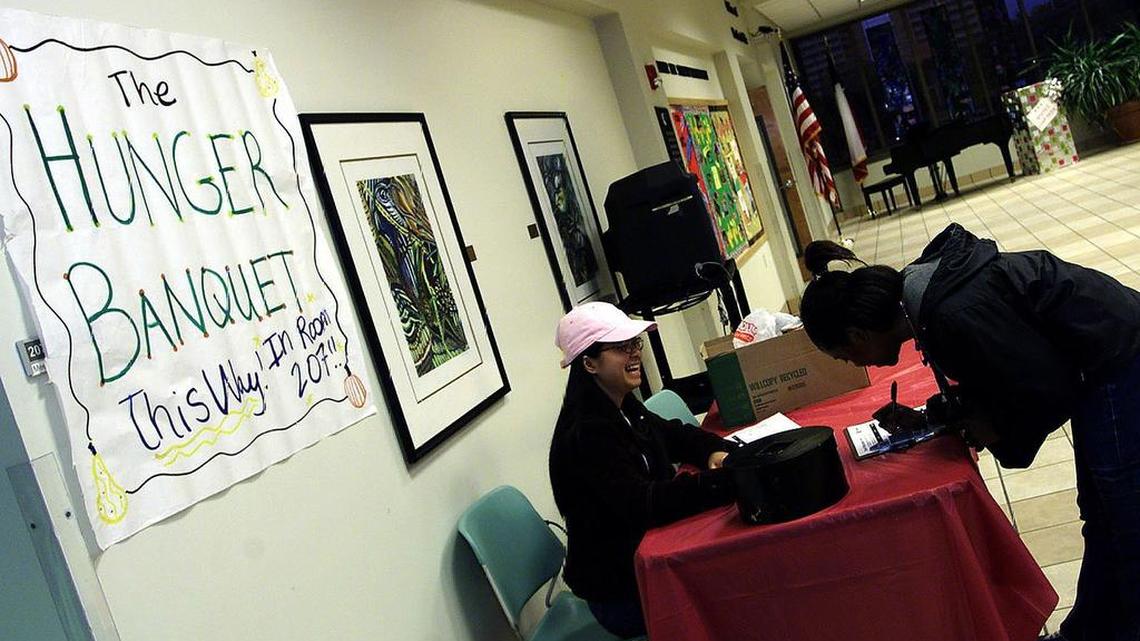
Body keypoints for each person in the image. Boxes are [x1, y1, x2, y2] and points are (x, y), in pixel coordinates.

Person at [799, 223, 1140, 641]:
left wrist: (997, 434)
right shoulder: (924, 296)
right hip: (1101, 357)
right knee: (1104, 517)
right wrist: (934, 416)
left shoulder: (951, 312)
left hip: (1121, 357)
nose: (854, 365)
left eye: (846, 355)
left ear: (858, 334)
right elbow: (996, 375)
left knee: (1126, 520)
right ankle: (1088, 633)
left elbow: (1048, 392)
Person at [548, 301, 737, 639]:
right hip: (620, 590)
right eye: (621, 348)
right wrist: (723, 482)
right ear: (589, 363)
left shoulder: (619, 402)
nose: (635, 354)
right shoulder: (588, 432)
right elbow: (644, 504)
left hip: (641, 557)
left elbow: (674, 433)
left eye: (635, 343)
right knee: (732, 586)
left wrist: (714, 450)